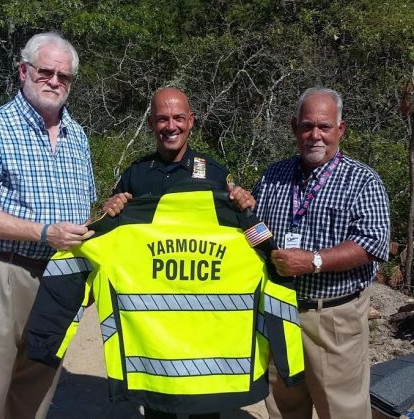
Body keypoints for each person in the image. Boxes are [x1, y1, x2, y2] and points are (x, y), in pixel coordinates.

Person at [0, 32, 97, 419]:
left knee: (37, 389)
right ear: (23, 71)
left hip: (57, 279)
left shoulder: (77, 137)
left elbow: (84, 208)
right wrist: (44, 232)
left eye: (63, 77)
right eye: (45, 71)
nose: (54, 81)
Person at [103, 86, 255, 419]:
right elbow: (108, 232)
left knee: (205, 410)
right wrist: (109, 210)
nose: (170, 126)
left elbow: (242, 236)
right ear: (151, 124)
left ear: (191, 121)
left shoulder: (213, 174)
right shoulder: (134, 175)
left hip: (202, 328)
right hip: (153, 328)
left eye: (178, 118)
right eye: (161, 119)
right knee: (159, 411)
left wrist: (246, 208)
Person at [252, 87, 390, 419]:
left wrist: (313, 260)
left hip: (333, 318)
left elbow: (374, 242)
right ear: (294, 127)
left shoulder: (362, 181)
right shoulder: (273, 176)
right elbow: (253, 229)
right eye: (307, 126)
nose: (315, 135)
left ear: (340, 130)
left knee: (341, 409)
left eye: (324, 127)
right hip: (279, 314)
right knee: (285, 405)